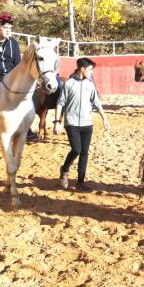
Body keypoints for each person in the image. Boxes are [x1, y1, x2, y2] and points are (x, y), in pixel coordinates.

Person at [54, 57, 110, 192]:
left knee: (84, 152)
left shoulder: (90, 85)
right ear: (82, 69)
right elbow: (60, 103)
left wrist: (104, 119)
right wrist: (57, 122)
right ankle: (65, 169)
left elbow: (97, 103)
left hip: (87, 124)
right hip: (71, 123)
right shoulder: (68, 84)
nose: (92, 72)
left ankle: (80, 182)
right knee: (76, 150)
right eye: (90, 69)